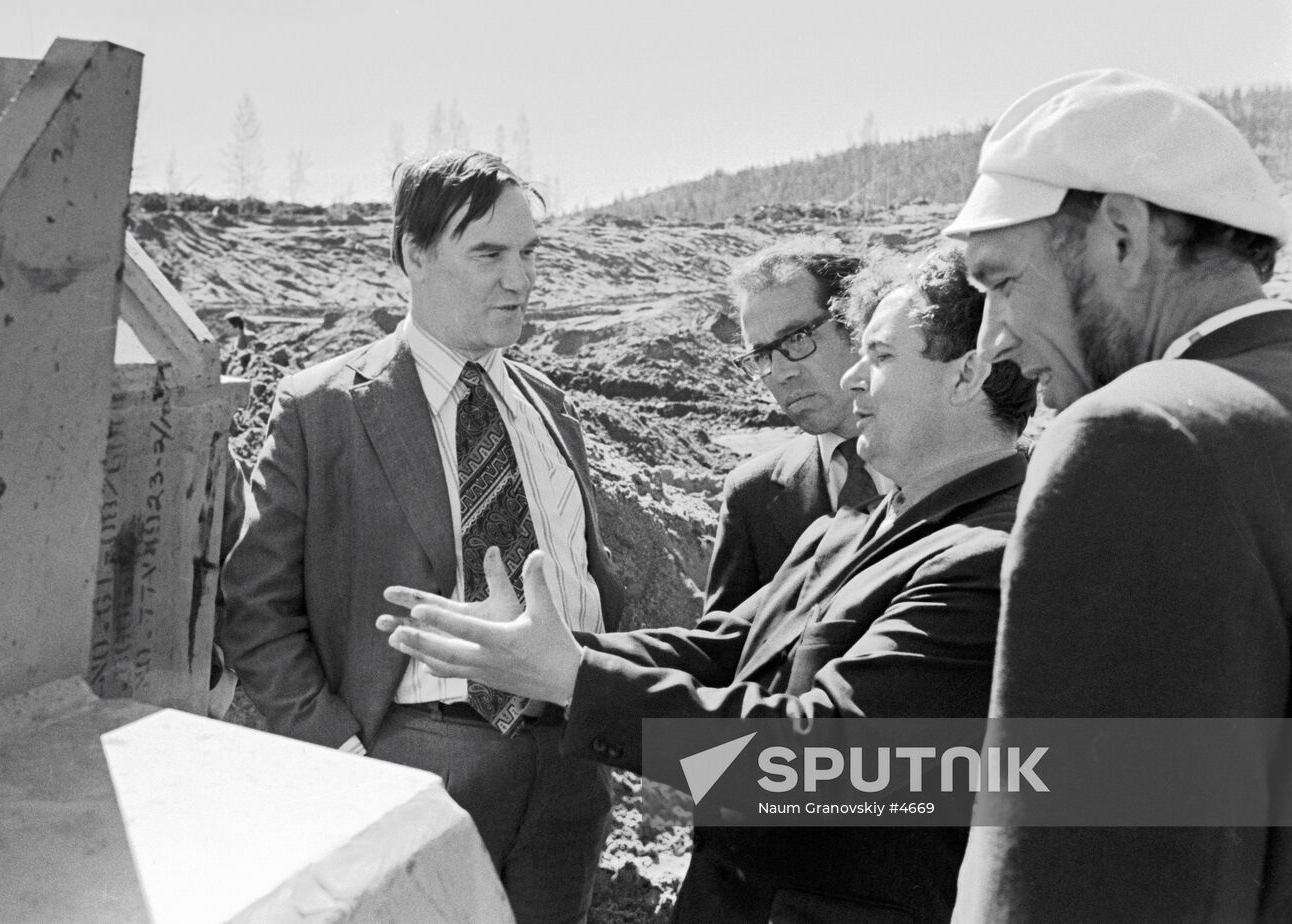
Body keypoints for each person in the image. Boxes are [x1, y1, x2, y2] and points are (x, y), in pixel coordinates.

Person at [379, 249, 1037, 923]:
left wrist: (577, 682)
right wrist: (542, 655)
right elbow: (724, 651)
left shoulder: (987, 561)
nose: (855, 378)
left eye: (883, 357)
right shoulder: (858, 523)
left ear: (966, 377)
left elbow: (824, 764)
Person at [221, 150, 624, 924]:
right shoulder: (323, 410)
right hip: (415, 763)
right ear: (415, 254)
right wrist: (346, 762)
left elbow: (588, 577)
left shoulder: (549, 407)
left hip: (569, 768)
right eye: (490, 254)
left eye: (529, 252)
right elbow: (255, 611)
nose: (521, 279)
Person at [943, 69, 1292, 923]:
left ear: (1124, 238)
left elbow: (1081, 879)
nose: (991, 346)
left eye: (1000, 283)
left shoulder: (1139, 441)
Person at [705, 242, 889, 613]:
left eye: (797, 338)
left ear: (856, 325)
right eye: (761, 355)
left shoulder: (972, 460)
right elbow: (722, 651)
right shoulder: (751, 497)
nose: (780, 372)